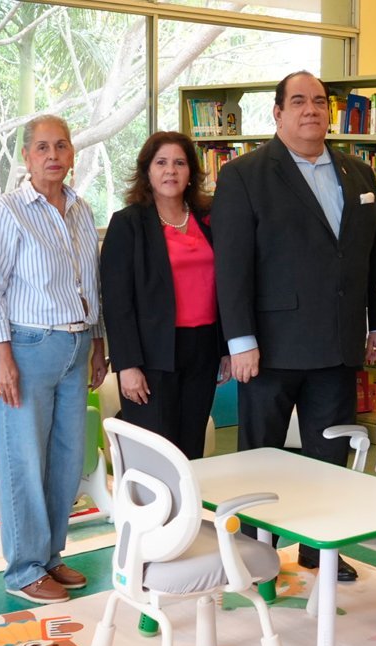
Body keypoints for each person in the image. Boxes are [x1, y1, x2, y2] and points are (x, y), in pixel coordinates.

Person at [211, 71, 376, 581]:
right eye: (299, 102)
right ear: (278, 113)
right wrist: (240, 340)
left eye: (319, 101)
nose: (311, 109)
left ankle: (321, 551)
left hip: (337, 344)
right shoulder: (244, 174)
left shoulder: (358, 174)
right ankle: (253, 554)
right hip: (270, 347)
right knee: (261, 456)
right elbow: (233, 265)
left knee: (329, 452)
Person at [0, 115, 108, 604]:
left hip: (76, 348)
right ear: (27, 157)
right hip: (28, 349)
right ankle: (23, 569)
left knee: (66, 462)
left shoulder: (79, 208)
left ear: (72, 153)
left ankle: (50, 556)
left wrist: (98, 342)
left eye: (62, 146)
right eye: (42, 148)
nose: (53, 155)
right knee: (23, 462)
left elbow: (89, 284)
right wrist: (1, 357)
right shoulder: (7, 211)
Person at [100, 131, 229, 460]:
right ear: (147, 171)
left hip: (203, 349)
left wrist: (228, 347)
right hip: (152, 354)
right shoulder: (128, 224)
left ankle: (188, 512)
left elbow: (227, 285)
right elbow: (117, 301)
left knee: (191, 447)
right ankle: (150, 512)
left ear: (191, 173)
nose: (170, 171)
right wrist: (127, 365)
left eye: (179, 163)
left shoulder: (210, 219)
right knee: (155, 449)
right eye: (161, 163)